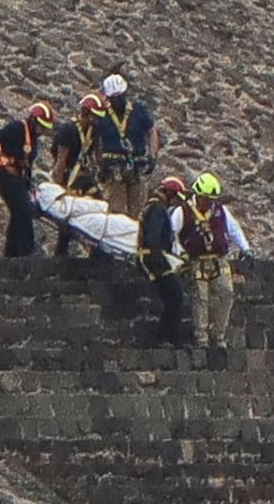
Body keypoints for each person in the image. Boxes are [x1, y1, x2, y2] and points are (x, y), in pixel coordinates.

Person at [170, 172, 253, 350]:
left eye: (211, 199)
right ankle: (201, 338)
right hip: (196, 261)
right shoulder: (182, 211)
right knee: (201, 299)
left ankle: (219, 336)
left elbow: (234, 229)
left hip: (219, 260)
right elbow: (171, 235)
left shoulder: (220, 210)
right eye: (206, 198)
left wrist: (245, 248)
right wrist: (180, 253)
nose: (209, 202)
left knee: (226, 293)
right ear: (198, 195)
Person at [0, 101, 54, 257]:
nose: (42, 130)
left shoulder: (34, 137)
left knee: (18, 214)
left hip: (19, 178)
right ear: (33, 120)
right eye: (40, 125)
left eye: (45, 127)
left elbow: (28, 164)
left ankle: (11, 255)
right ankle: (26, 252)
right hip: (6, 174)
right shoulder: (17, 127)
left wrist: (28, 184)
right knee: (24, 211)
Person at [95, 73, 159, 219]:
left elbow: (152, 130)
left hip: (137, 165)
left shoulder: (139, 110)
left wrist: (152, 155)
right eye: (114, 98)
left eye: (121, 97)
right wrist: (100, 165)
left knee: (137, 211)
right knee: (116, 211)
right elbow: (96, 140)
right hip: (114, 167)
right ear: (109, 98)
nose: (118, 101)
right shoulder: (103, 115)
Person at [51, 93, 107, 256]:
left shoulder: (93, 129)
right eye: (93, 116)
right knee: (68, 213)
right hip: (69, 176)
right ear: (85, 113)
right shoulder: (68, 130)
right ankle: (61, 251)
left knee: (99, 205)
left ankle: (97, 250)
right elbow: (61, 161)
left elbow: (97, 153)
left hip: (83, 175)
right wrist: (59, 187)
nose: (95, 120)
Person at [137, 176, 188, 346]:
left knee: (171, 297)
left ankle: (167, 337)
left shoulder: (152, 205)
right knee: (175, 295)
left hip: (151, 255)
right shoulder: (158, 209)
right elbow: (153, 237)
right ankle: (167, 337)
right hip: (154, 257)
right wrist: (161, 258)